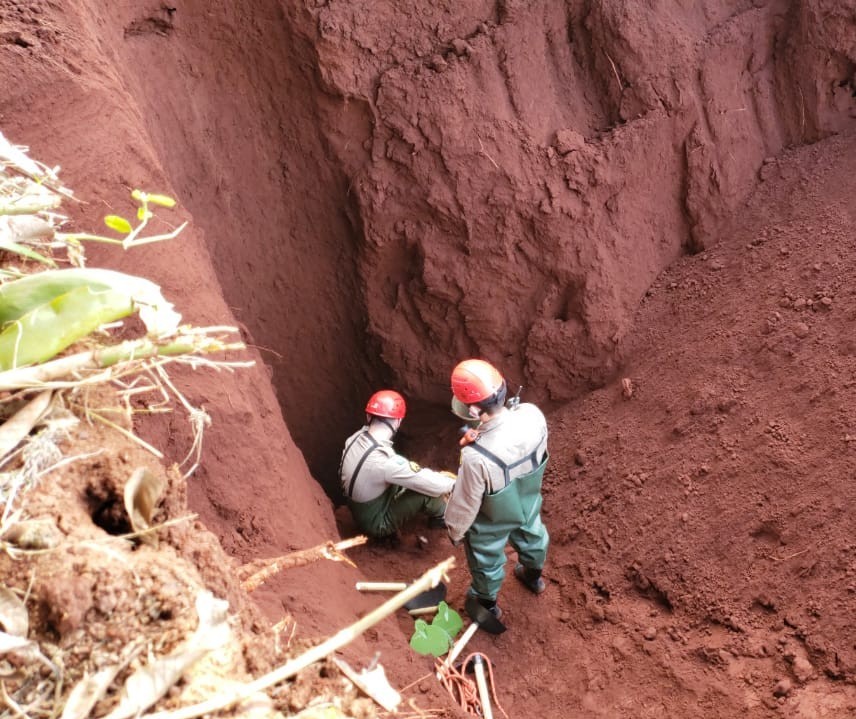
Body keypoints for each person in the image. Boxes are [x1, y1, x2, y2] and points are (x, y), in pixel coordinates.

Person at [444, 359, 550, 621]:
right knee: (532, 533)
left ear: (472, 408)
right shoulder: (532, 415)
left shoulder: (475, 457)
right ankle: (533, 577)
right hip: (528, 499)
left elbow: (466, 503)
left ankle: (487, 604)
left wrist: (456, 531)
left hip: (495, 517)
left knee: (485, 555)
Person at [340, 389, 456, 540]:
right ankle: (443, 517)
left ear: (368, 416)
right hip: (375, 523)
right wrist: (454, 484)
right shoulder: (385, 461)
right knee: (427, 494)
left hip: (358, 506)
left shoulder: (354, 439)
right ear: (398, 421)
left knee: (407, 477)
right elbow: (432, 484)